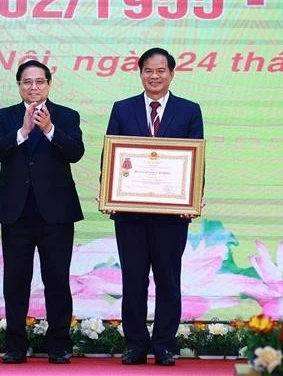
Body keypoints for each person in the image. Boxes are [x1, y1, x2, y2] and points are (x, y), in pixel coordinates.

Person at [103, 47, 204, 366]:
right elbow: (111, 154)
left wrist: (192, 198)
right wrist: (109, 193)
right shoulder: (123, 108)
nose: (155, 76)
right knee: (133, 279)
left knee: (168, 280)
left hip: (173, 215)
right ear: (141, 73)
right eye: (148, 70)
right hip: (130, 214)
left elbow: (197, 159)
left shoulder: (189, 111)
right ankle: (134, 344)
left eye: (161, 70)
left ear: (171, 74)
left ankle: (163, 345)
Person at [0, 60, 84, 365]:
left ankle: (59, 345)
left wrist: (49, 129)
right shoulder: (4, 117)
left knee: (57, 280)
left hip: (56, 215)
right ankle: (15, 345)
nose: (33, 87)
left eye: (39, 81)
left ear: (49, 84)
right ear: (19, 86)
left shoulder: (66, 116)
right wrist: (24, 131)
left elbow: (76, 152)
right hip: (16, 214)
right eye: (27, 82)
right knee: (15, 282)